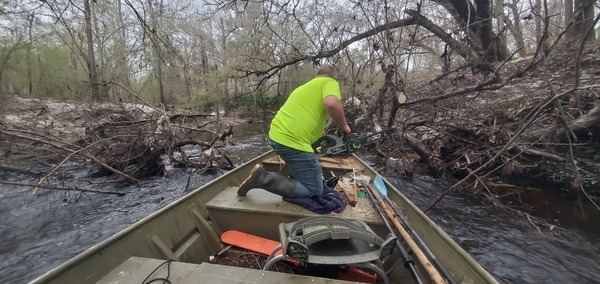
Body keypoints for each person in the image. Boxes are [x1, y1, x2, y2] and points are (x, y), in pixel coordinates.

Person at [238, 64, 351, 199]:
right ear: (333, 77)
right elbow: (331, 103)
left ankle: (292, 180)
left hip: (277, 136)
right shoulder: (329, 82)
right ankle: (262, 178)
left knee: (305, 167)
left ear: (317, 75)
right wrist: (344, 127)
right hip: (292, 141)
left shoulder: (304, 88)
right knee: (314, 190)